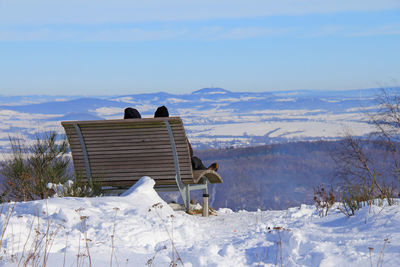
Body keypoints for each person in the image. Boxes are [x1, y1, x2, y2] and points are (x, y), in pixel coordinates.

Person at [153, 106, 219, 172]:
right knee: (195, 160)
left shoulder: (147, 132)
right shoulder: (175, 131)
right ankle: (206, 171)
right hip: (176, 168)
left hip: (154, 168)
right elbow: (189, 152)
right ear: (168, 117)